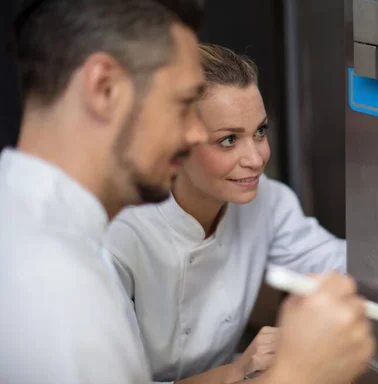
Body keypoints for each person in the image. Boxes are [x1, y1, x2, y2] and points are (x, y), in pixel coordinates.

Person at [0, 0, 374, 384]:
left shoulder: (51, 232)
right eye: (181, 104)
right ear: (104, 88)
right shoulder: (51, 286)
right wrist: (296, 375)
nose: (194, 135)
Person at [102, 43, 346, 383]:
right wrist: (238, 371)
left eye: (259, 132)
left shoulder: (269, 203)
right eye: (229, 140)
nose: (256, 159)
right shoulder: (118, 236)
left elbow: (341, 266)